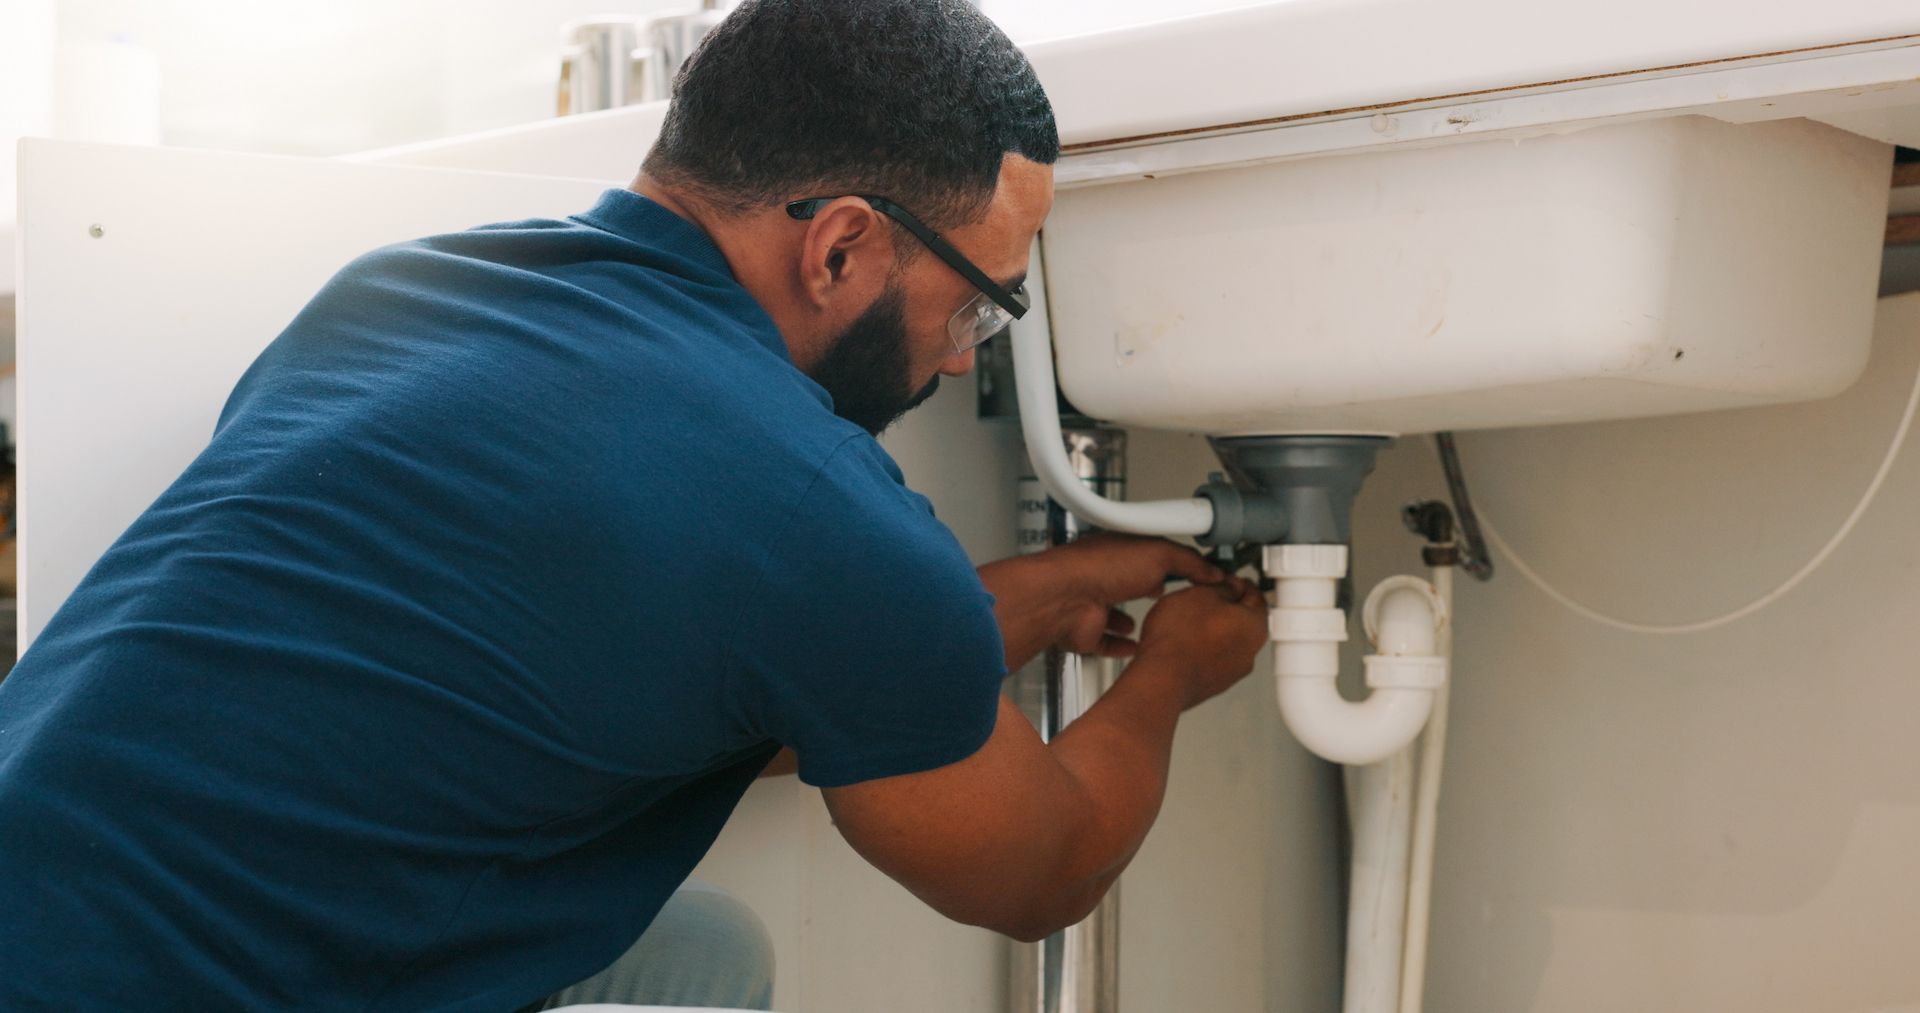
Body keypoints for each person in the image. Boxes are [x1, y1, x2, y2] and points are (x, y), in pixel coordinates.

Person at [0, 0, 1271, 1009]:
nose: (956, 355)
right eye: (979, 301)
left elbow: (672, 675)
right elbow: (1040, 867)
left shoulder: (402, 291)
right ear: (838, 246)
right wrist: (1172, 677)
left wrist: (1038, 596)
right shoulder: (808, 502)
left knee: (697, 954)